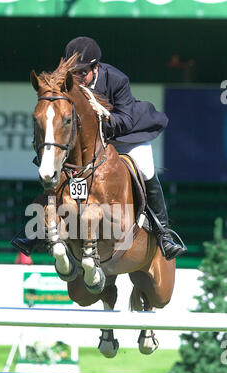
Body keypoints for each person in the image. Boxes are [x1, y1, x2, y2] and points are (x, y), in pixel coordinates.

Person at [64, 36, 186, 260]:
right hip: (95, 141)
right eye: (74, 72)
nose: (78, 77)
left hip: (127, 136)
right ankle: (38, 230)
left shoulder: (117, 80)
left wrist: (104, 115)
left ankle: (164, 233)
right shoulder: (68, 81)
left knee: (147, 171)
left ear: (96, 67)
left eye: (83, 72)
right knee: (58, 165)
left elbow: (126, 121)